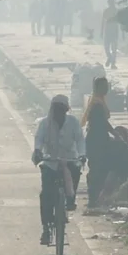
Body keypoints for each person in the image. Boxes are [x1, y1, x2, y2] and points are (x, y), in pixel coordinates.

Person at [32, 95, 84, 245]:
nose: (58, 113)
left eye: (62, 110)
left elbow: (80, 140)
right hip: (51, 161)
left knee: (75, 173)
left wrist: (82, 155)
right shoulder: (44, 124)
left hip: (69, 160)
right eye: (56, 109)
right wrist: (37, 151)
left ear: (66, 110)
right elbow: (39, 139)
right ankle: (46, 228)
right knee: (45, 195)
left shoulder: (73, 122)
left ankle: (70, 200)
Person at [81, 76, 115, 211]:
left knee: (97, 168)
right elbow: (102, 123)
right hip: (96, 139)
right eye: (104, 86)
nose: (107, 89)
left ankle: (95, 198)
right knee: (97, 169)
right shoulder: (96, 103)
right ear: (98, 87)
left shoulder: (98, 100)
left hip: (97, 137)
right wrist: (115, 134)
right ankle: (92, 198)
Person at [101, 0, 121, 69]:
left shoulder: (116, 11)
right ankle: (110, 58)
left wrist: (101, 31)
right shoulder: (107, 11)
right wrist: (101, 31)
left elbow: (120, 21)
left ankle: (112, 62)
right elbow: (103, 21)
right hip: (110, 31)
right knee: (109, 48)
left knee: (112, 48)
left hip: (111, 31)